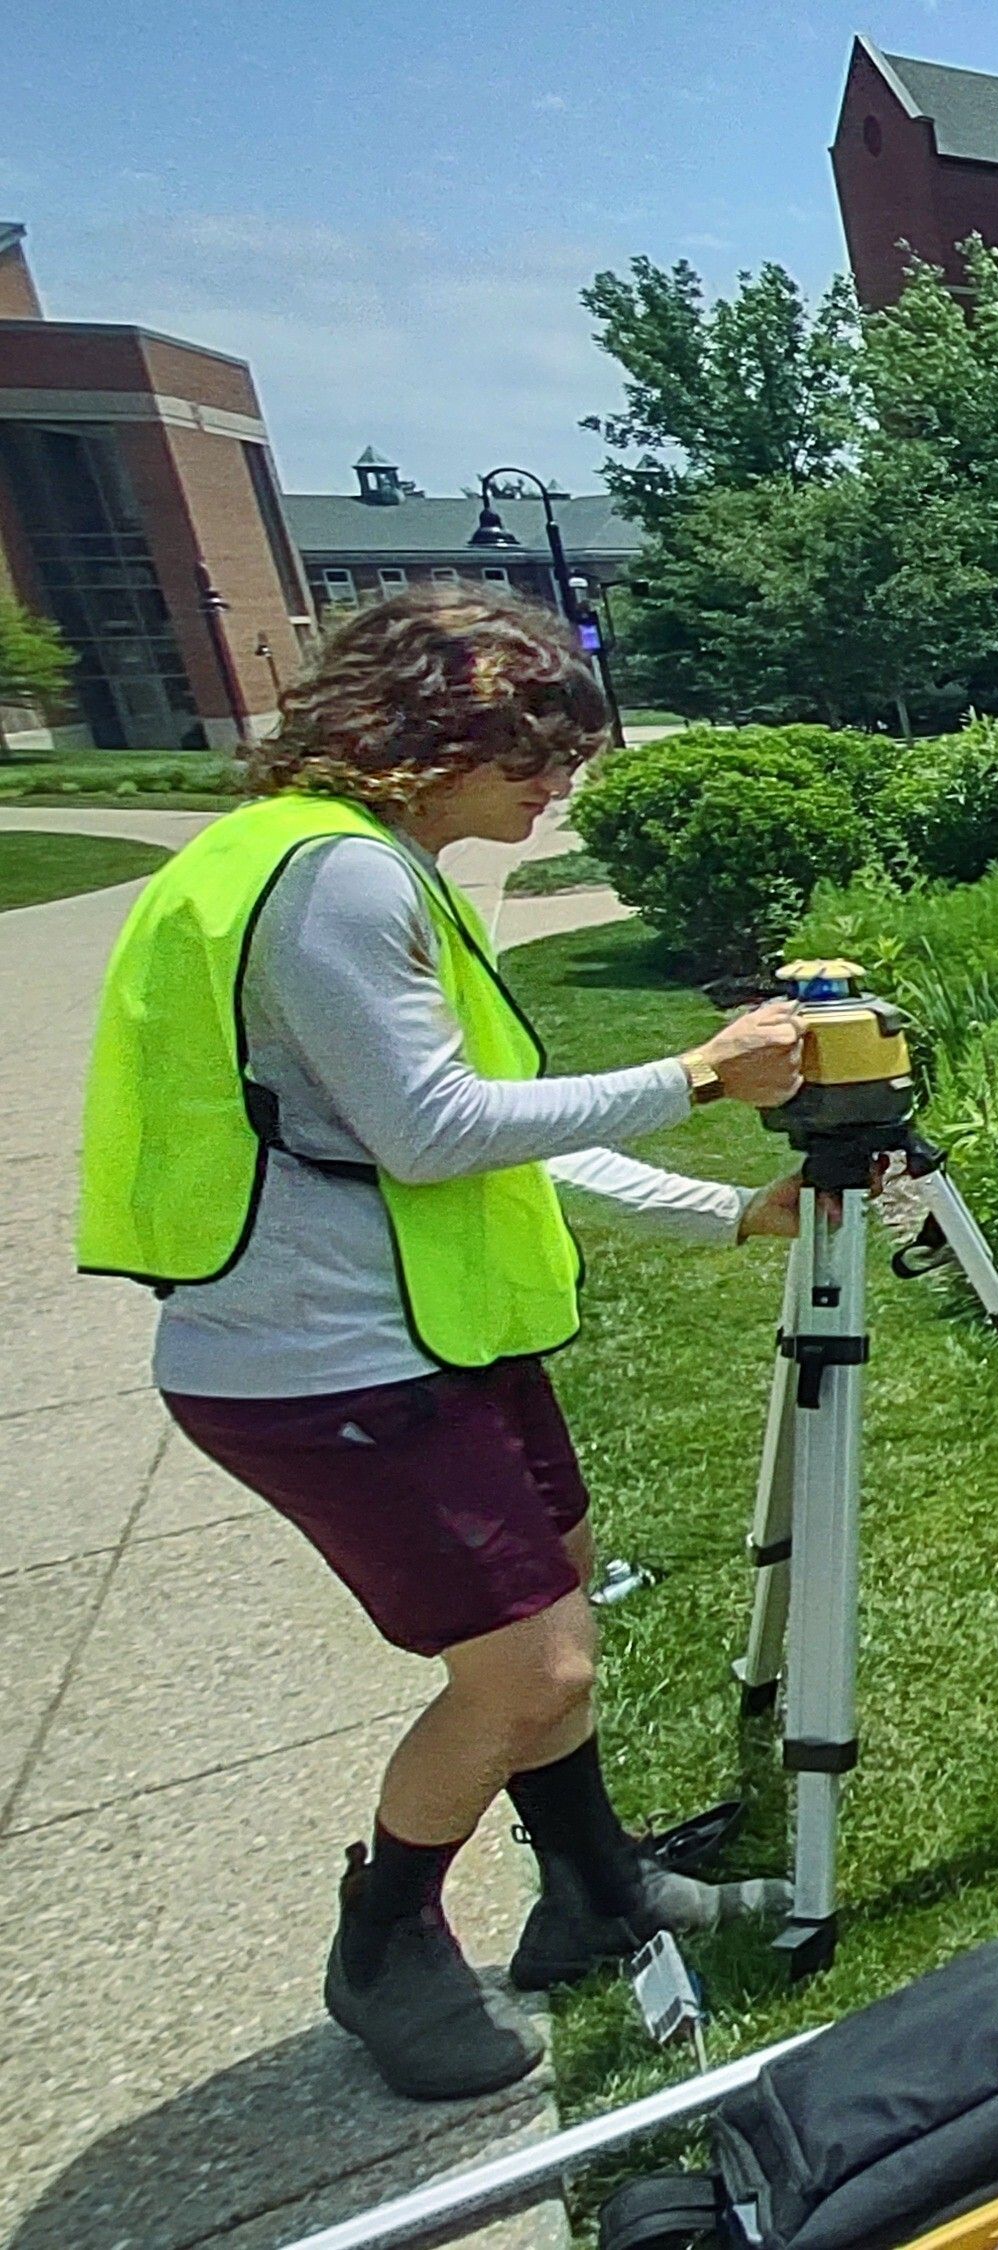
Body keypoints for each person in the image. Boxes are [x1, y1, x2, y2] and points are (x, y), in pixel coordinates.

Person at [77, 584, 811, 2101]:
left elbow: (468, 1132)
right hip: (329, 1356)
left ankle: (595, 1885)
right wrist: (699, 1071)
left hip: (430, 1328)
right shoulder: (338, 880)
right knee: (528, 1669)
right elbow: (435, 1130)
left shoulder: (349, 862)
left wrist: (722, 1217)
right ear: (434, 733)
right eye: (535, 754)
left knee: (556, 1620)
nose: (559, 788)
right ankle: (388, 1937)